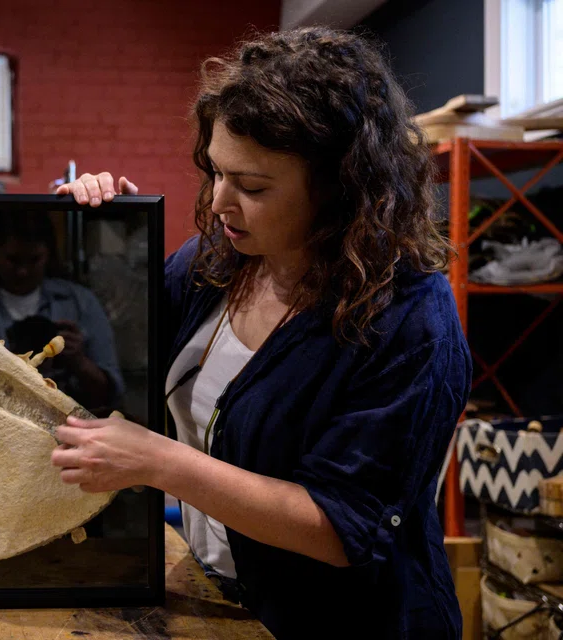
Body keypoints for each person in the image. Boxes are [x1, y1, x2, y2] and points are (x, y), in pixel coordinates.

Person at [51, 27, 471, 639]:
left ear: (339, 189)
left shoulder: (409, 321)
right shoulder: (215, 264)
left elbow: (342, 528)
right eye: (216, 172)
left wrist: (161, 462)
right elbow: (123, 360)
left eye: (251, 187)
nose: (220, 202)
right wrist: (104, 230)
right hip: (222, 602)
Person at [0, 211, 125, 412]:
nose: (23, 271)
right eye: (13, 260)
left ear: (49, 256)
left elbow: (111, 396)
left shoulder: (80, 302)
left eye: (34, 260)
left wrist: (78, 361)